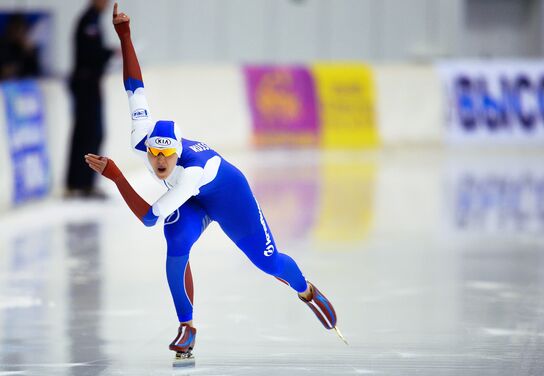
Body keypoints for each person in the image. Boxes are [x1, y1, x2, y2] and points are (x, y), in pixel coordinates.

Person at [85, 3, 344, 363]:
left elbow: (148, 217)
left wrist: (116, 176)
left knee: (268, 264)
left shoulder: (188, 173)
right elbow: (134, 87)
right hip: (193, 199)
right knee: (175, 240)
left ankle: (306, 290)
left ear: (177, 153)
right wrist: (125, 36)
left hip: (228, 194)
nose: (159, 162)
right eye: (154, 155)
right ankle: (187, 326)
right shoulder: (142, 137)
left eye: (167, 156)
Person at [66, 0, 114, 198]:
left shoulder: (93, 20)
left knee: (92, 133)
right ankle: (80, 183)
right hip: (86, 85)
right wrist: (110, 52)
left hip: (90, 84)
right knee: (89, 133)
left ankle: (84, 182)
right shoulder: (88, 21)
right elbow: (90, 54)